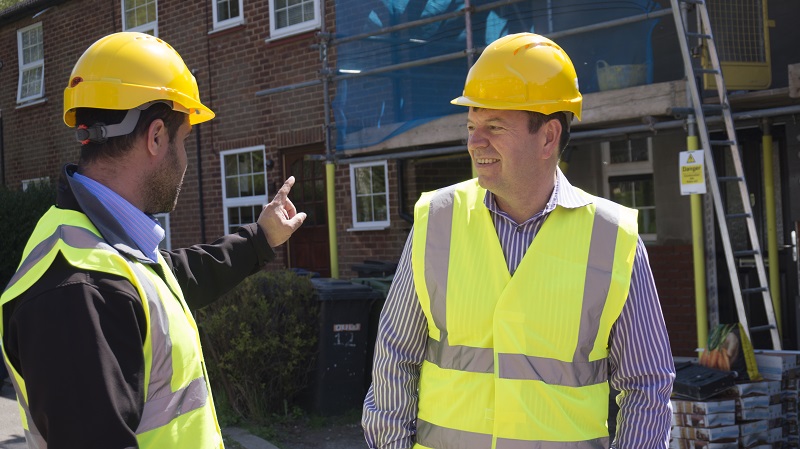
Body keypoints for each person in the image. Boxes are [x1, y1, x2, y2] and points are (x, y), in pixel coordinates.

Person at [362, 33, 674, 449]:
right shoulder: (436, 220)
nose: (475, 142)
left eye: (494, 127)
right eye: (472, 126)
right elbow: (394, 357)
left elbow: (648, 387)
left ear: (547, 137)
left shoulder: (613, 237)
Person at [0, 32, 306, 449]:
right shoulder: (80, 291)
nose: (184, 160)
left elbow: (168, 280)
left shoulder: (101, 246)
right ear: (156, 136)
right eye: (183, 141)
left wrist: (260, 238)